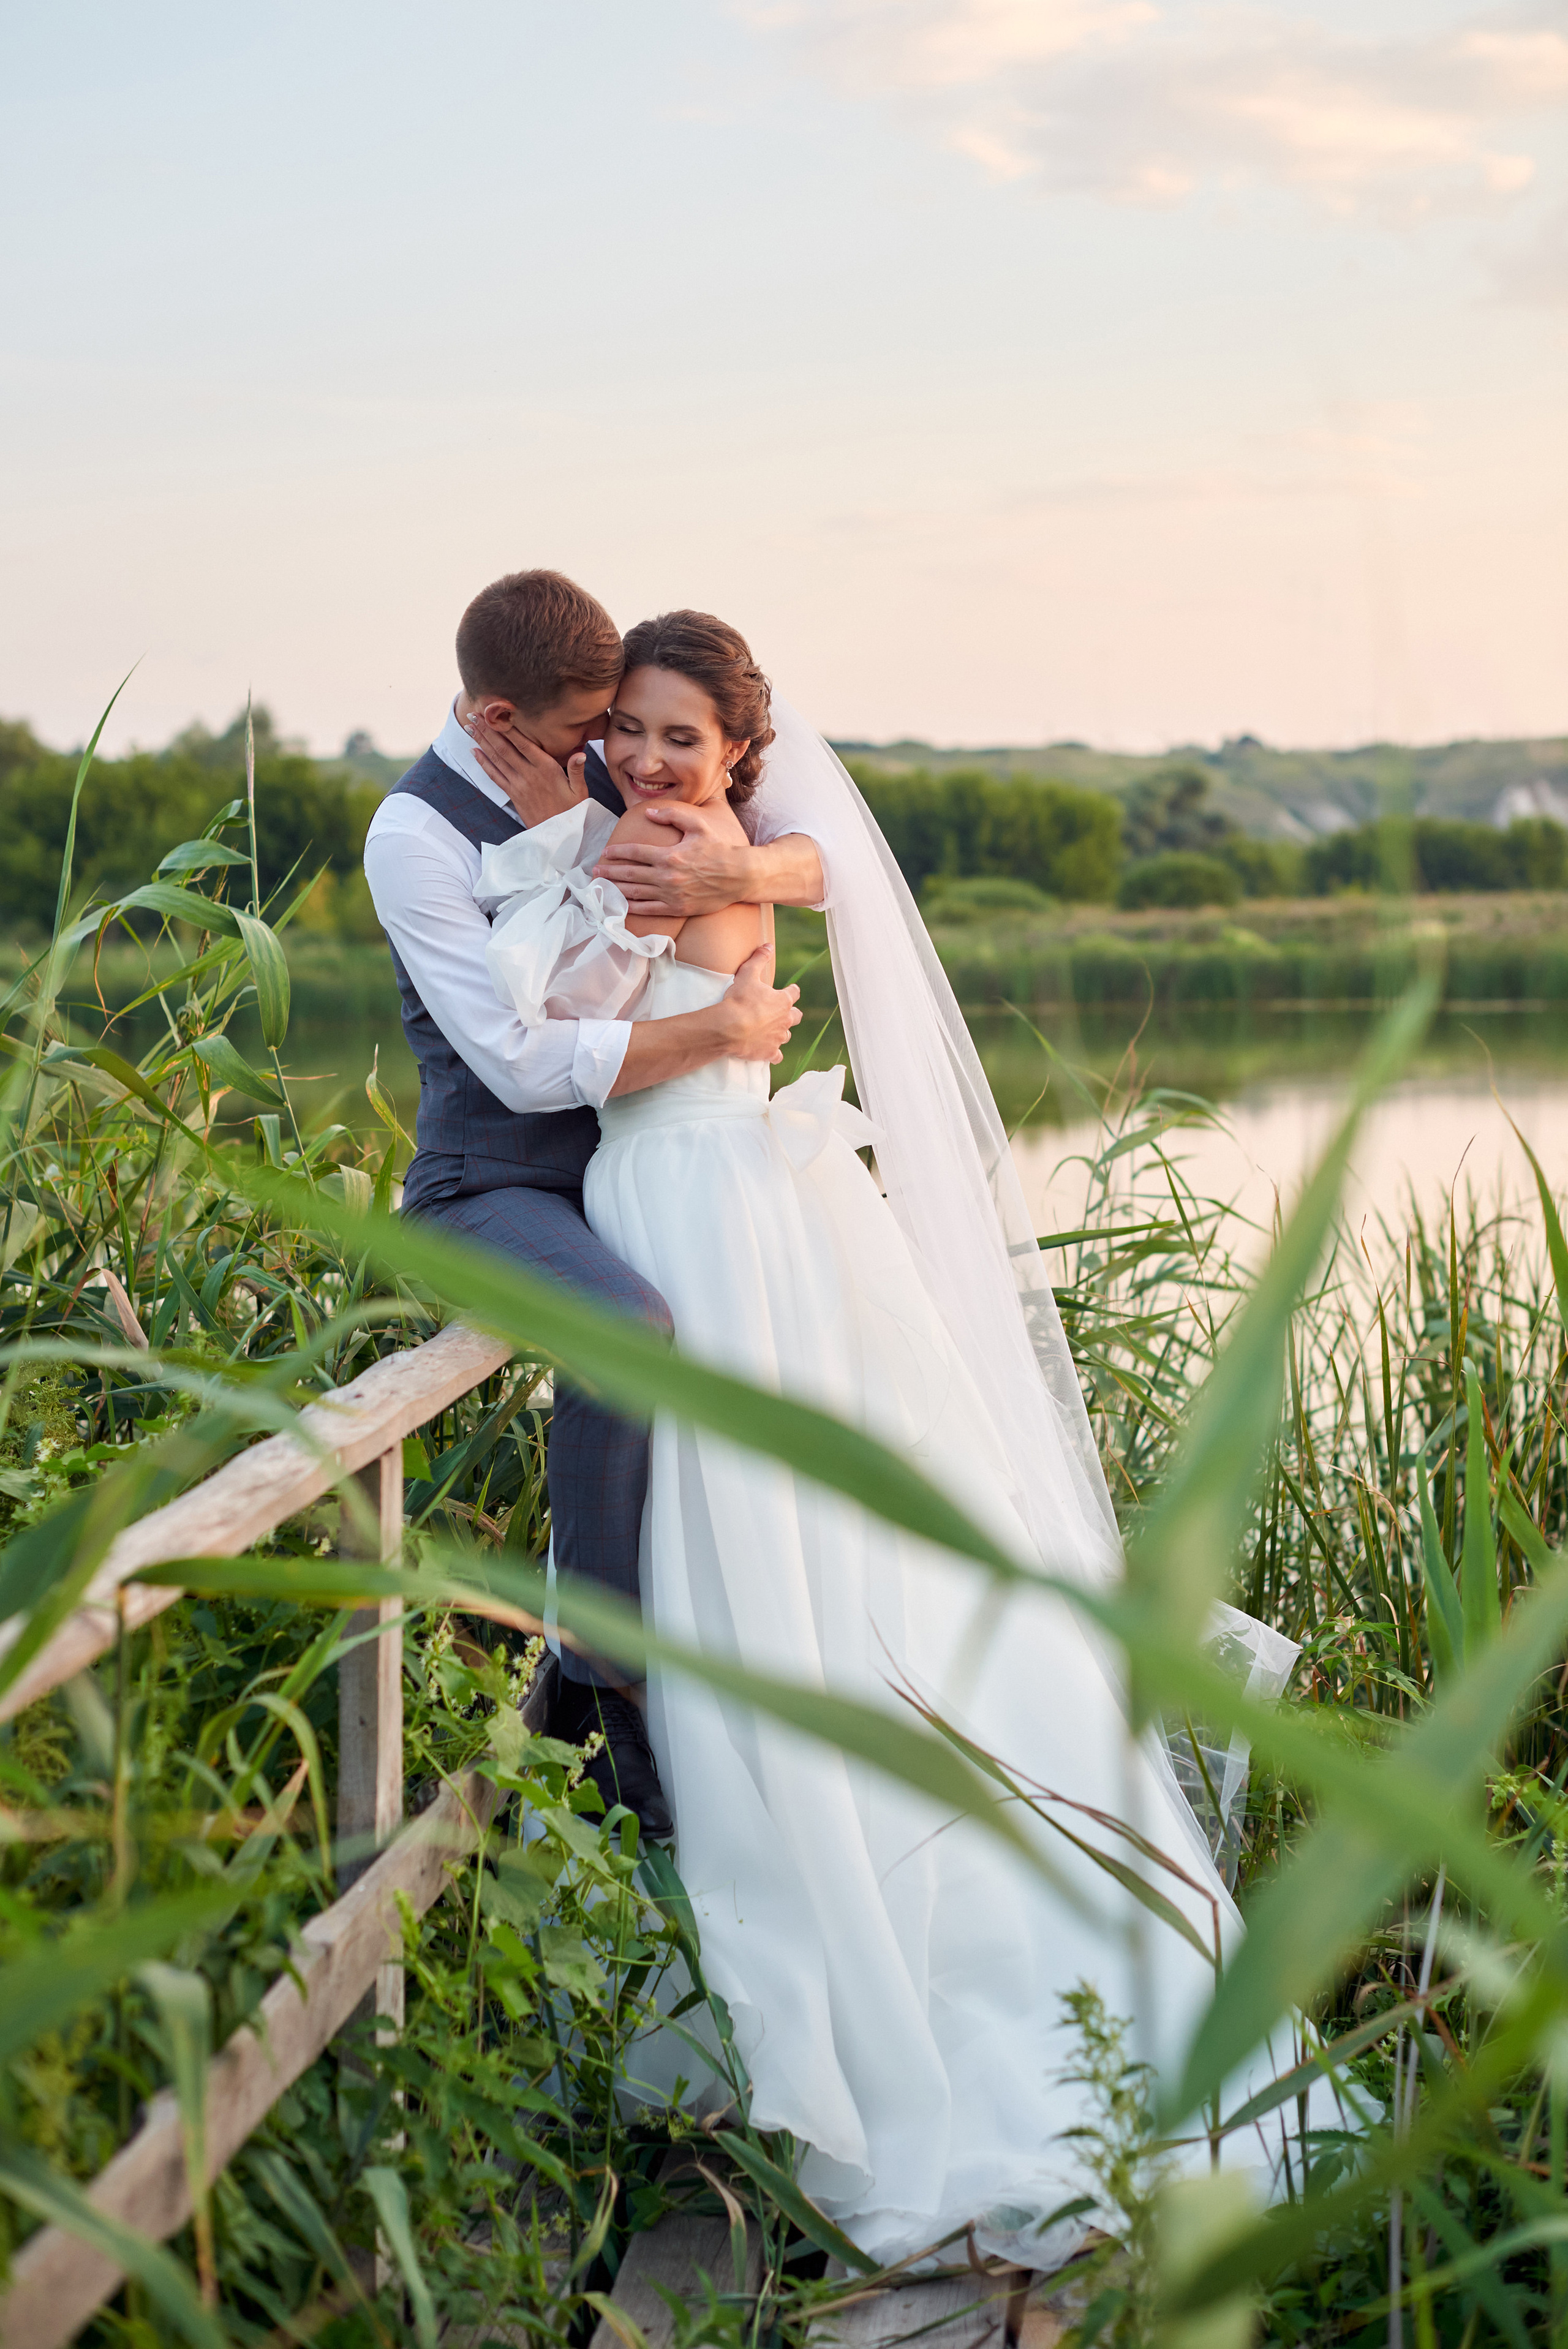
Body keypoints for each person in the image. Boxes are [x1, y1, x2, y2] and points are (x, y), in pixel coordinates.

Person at [469, 609, 1308, 2270]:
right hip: (716, 1200)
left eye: (677, 739)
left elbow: (552, 1037)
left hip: (706, 1217)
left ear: (739, 759)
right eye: (625, 728)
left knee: (759, 1598)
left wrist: (582, 862)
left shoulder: (682, 858)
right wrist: (634, 859)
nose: (642, 758)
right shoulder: (707, 846)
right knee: (790, 1586)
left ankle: (857, 2014)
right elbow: (713, 929)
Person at [363, 571, 831, 1834]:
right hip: (487, 1183)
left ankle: (630, 1706)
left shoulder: (613, 794)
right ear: (502, 713)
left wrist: (756, 873)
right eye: (595, 729)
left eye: (631, 728)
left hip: (636, 1176)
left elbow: (818, 849)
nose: (615, 759)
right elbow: (522, 1058)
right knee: (627, 1329)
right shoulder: (414, 838)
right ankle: (595, 1675)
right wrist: (722, 1028)